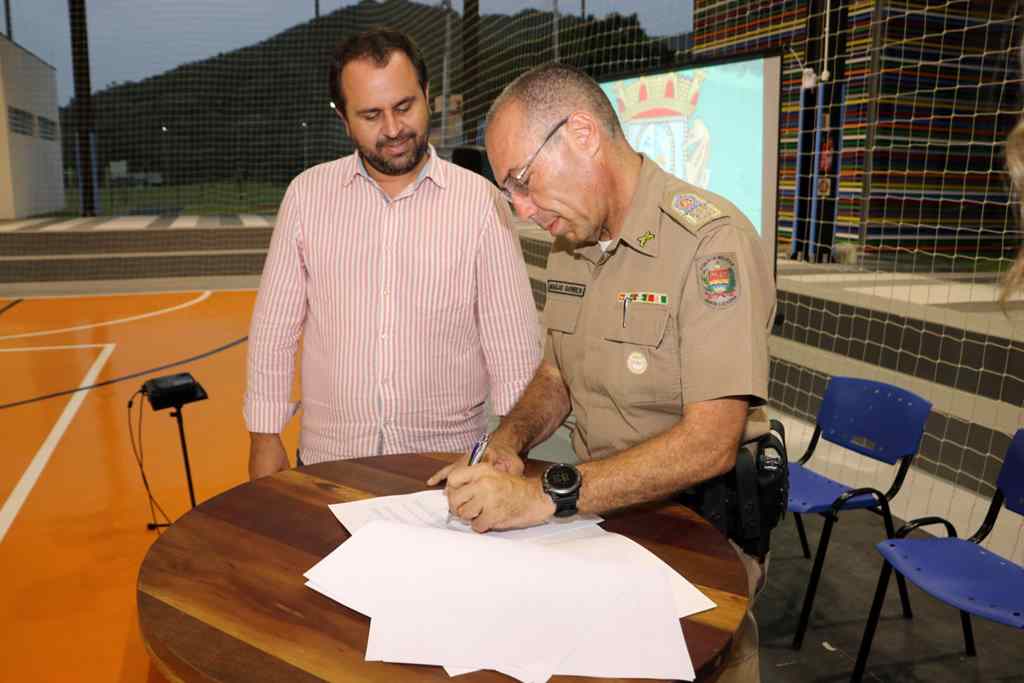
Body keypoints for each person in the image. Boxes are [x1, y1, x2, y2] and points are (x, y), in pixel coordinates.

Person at [428, 63, 777, 681]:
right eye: (511, 193)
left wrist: (541, 495)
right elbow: (556, 375)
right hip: (601, 519)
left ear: (582, 134)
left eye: (523, 181)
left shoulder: (709, 244)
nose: (525, 210)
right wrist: (506, 445)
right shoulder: (574, 240)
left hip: (697, 540)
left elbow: (711, 442)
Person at [244, 29, 540, 479]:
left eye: (404, 106)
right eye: (370, 115)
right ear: (343, 119)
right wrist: (265, 438)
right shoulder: (306, 196)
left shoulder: (482, 203)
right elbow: (274, 330)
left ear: (427, 96)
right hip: (331, 464)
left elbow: (513, 351)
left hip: (451, 469)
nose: (393, 129)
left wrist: (511, 452)